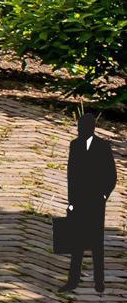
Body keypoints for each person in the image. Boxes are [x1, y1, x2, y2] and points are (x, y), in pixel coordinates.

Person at [67, 109, 116, 294]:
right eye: (79, 127)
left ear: (92, 128)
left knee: (97, 243)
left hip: (96, 201)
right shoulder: (75, 145)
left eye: (83, 127)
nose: (80, 130)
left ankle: (99, 281)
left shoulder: (103, 146)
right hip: (79, 200)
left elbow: (111, 175)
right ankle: (72, 281)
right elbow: (71, 176)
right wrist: (71, 201)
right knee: (76, 242)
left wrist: (104, 195)